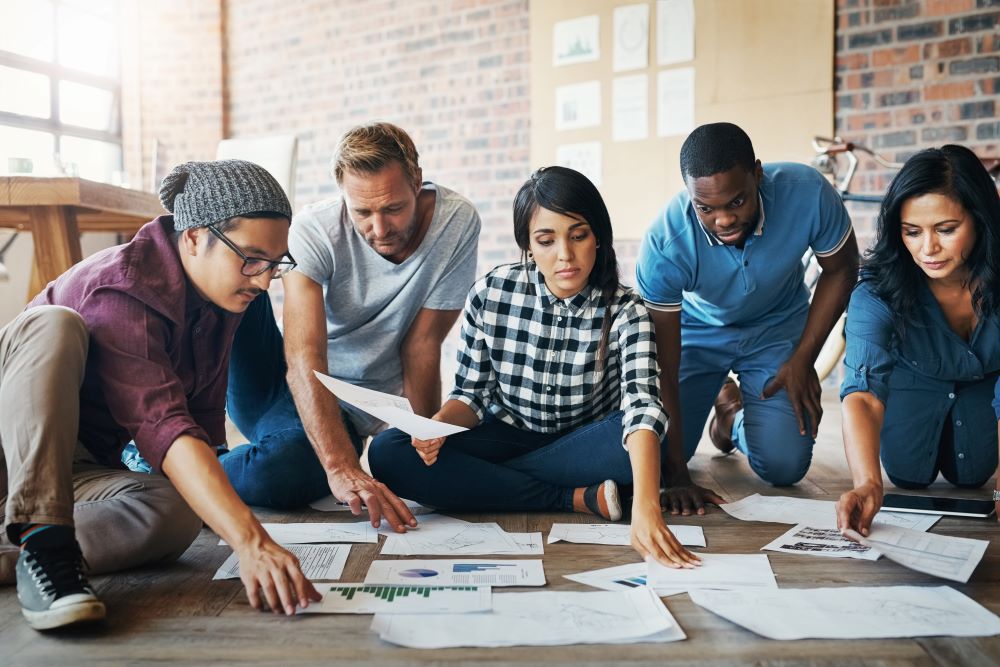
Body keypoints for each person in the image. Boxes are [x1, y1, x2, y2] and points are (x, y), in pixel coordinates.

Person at [1, 159, 321, 631]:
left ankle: (31, 539)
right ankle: (45, 544)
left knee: (175, 513)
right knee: (55, 325)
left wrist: (221, 514)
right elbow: (163, 423)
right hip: (11, 447)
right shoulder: (122, 286)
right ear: (193, 237)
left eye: (275, 264)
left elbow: (202, 417)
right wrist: (249, 540)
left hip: (78, 468)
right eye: (251, 258)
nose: (263, 280)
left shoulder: (221, 298)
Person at [368, 166, 701, 569]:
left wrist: (646, 508)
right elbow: (471, 397)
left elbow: (642, 406)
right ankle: (575, 498)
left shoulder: (627, 310)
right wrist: (438, 427)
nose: (565, 255)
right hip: (507, 434)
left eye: (578, 235)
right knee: (389, 452)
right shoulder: (492, 293)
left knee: (644, 442)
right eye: (546, 240)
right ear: (527, 244)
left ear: (598, 236)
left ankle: (484, 481)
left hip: (585, 445)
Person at [219, 122, 480, 530]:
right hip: (283, 379)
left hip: (353, 409)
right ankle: (172, 463)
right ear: (343, 195)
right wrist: (340, 465)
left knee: (295, 467)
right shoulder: (314, 228)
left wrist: (424, 440)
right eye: (362, 212)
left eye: (393, 208)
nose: (379, 229)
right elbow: (305, 355)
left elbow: (422, 345)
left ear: (416, 181)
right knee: (284, 472)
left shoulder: (456, 221)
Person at [637, 122, 859, 513]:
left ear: (758, 174)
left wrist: (803, 358)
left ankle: (731, 418)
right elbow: (664, 369)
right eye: (706, 208)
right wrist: (677, 477)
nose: (723, 220)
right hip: (696, 333)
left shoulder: (806, 192)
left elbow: (842, 269)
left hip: (776, 326)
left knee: (785, 466)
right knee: (659, 460)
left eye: (736, 202)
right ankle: (719, 390)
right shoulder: (665, 242)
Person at [836, 145, 1000, 535]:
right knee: (907, 473)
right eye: (912, 231)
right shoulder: (876, 292)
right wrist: (867, 482)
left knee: (973, 475)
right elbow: (862, 392)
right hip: (913, 389)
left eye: (946, 229)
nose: (928, 249)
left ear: (980, 221)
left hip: (988, 395)